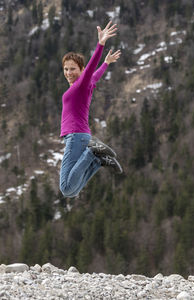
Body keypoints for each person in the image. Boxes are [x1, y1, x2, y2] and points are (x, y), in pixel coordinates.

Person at [59, 21, 123, 198]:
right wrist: (106, 63)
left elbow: (91, 71)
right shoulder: (84, 85)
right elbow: (95, 75)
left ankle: (92, 152)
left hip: (76, 136)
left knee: (65, 187)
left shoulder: (81, 85)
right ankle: (96, 159)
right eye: (65, 69)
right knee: (72, 191)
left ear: (81, 70)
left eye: (73, 69)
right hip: (80, 136)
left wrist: (100, 44)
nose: (68, 72)